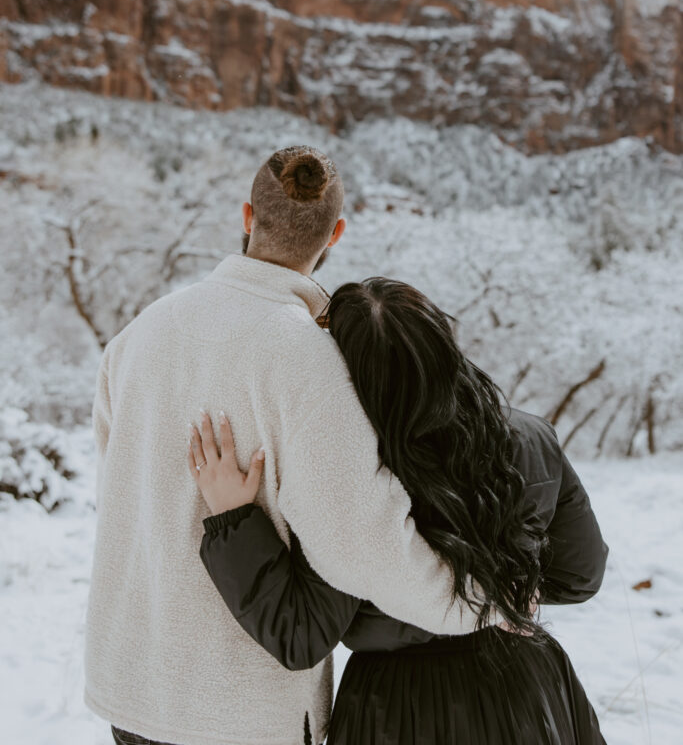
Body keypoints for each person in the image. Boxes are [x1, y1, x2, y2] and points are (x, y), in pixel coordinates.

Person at [84, 147, 502, 745]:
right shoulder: (311, 360)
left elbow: (122, 486)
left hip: (131, 684)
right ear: (336, 233)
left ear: (249, 215)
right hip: (236, 709)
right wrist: (481, 603)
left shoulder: (138, 335)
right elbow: (361, 544)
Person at [188, 277, 609, 745]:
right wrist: (499, 597)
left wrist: (234, 521)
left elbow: (299, 633)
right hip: (529, 692)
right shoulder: (529, 437)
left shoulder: (348, 473)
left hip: (395, 709)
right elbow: (579, 575)